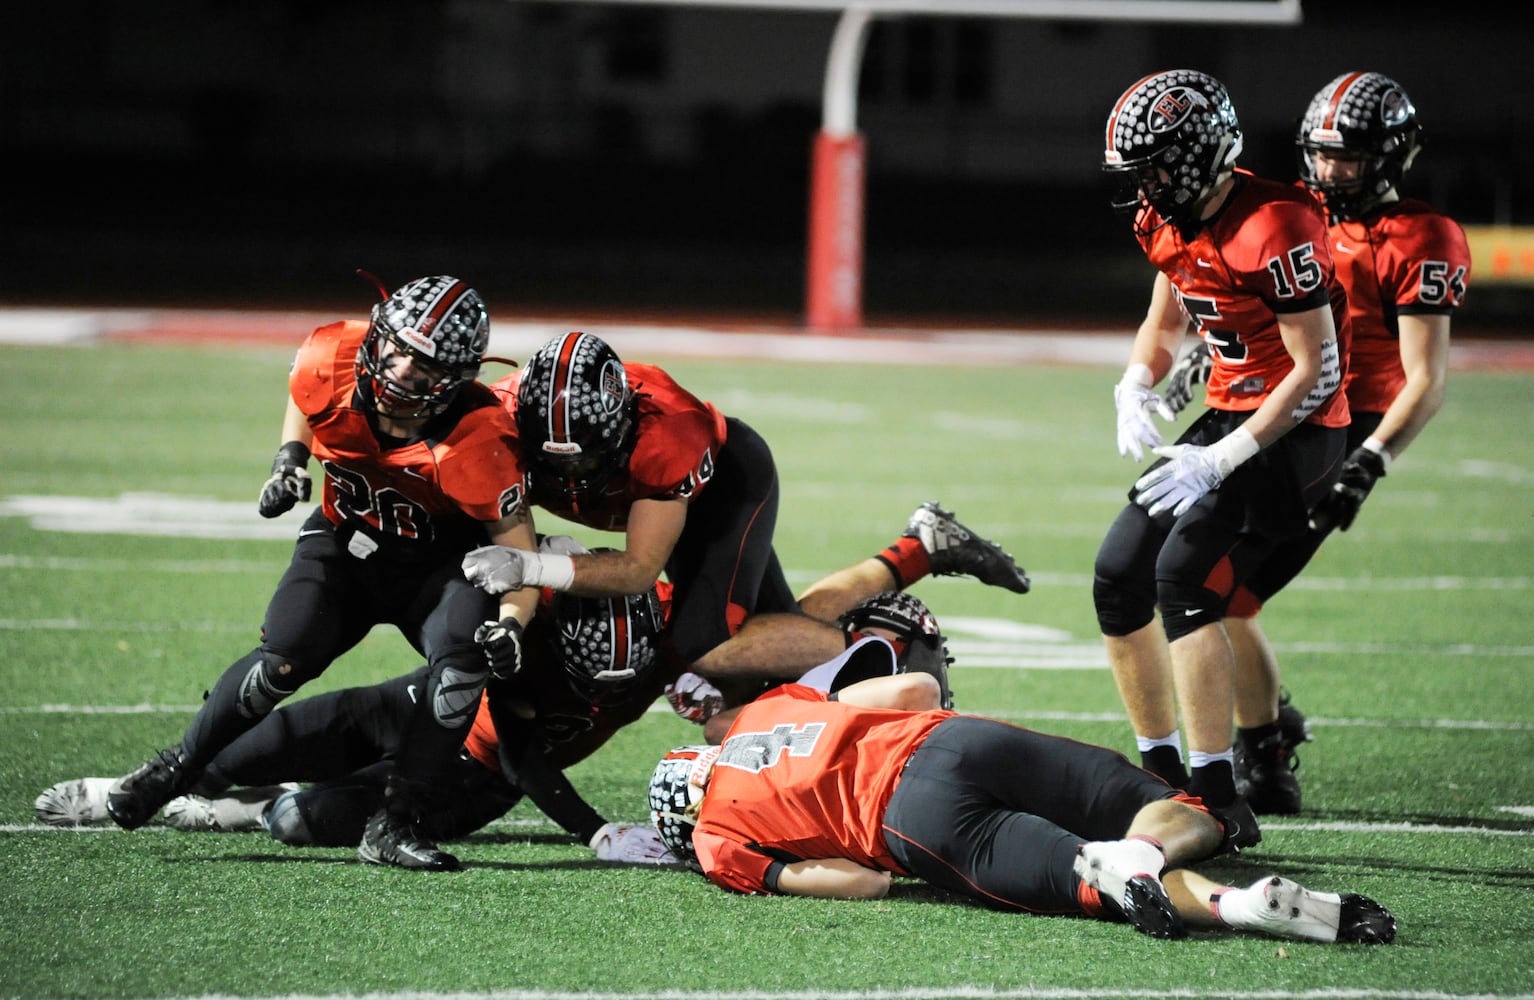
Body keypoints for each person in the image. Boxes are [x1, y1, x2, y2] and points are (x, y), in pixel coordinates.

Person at [43, 539, 951, 855]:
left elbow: (766, 606)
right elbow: (525, 743)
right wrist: (592, 827)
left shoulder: (667, 636)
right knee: (253, 745)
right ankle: (128, 786)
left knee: (292, 821)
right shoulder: (528, 630)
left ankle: (231, 816)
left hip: (470, 785)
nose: (612, 679)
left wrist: (899, 564)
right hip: (433, 720)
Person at [100, 274, 543, 872]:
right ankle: (174, 769)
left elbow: (519, 555)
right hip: (346, 546)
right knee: (283, 655)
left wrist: (513, 622)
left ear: (456, 380)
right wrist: (289, 459)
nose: (400, 371)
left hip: (438, 571)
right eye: (396, 350)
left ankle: (395, 823)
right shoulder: (331, 356)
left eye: (423, 367)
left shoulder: (479, 440)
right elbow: (306, 397)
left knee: (463, 666)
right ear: (378, 334)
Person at [1158, 72, 1471, 814]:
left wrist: (1372, 461)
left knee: (1223, 595)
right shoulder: (1295, 215)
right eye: (1324, 155)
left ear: (1393, 158)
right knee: (1225, 597)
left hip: (1338, 432)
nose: (1333, 172)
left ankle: (1262, 749)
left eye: (1352, 159)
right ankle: (1264, 744)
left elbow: (1425, 380)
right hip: (1271, 413)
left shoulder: (1422, 236)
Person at [645, 645, 1396, 944]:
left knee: (1097, 881)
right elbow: (914, 686)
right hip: (955, 741)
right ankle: (1185, 872)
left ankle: (1222, 902)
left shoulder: (713, 839)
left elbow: (861, 883)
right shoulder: (764, 713)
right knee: (1176, 811)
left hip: (912, 822)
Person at [460, 329, 1029, 692]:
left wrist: (533, 568)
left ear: (624, 419)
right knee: (769, 631)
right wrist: (513, 616)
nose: (569, 476)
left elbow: (637, 570)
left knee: (703, 646)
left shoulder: (668, 432)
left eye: (586, 460)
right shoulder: (498, 429)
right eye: (555, 460)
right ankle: (919, 549)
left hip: (722, 492)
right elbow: (512, 549)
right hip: (650, 502)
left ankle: (893, 660)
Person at [1092, 70, 1352, 848]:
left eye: (1158, 165)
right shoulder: (1163, 218)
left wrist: (1226, 455)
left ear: (1203, 153)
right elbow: (1165, 318)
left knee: (1185, 580)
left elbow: (1318, 371)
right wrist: (1140, 381)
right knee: (1116, 575)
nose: (1145, 184)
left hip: (1298, 433)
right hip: (1231, 411)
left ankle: (1216, 796)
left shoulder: (1276, 224)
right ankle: (1163, 775)